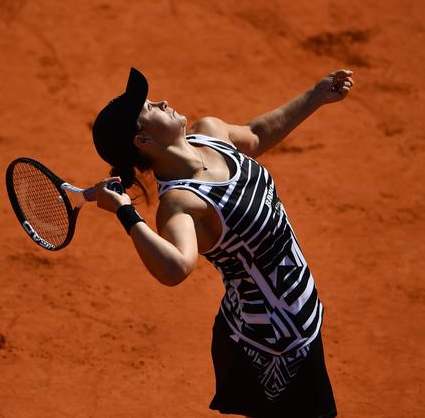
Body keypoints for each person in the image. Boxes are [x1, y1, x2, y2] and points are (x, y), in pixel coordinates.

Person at [91, 67, 354, 417]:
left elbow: (257, 135)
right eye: (151, 108)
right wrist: (127, 214)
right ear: (144, 141)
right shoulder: (180, 203)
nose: (163, 102)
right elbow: (175, 268)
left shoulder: (209, 132)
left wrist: (316, 96)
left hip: (277, 322)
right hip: (274, 343)